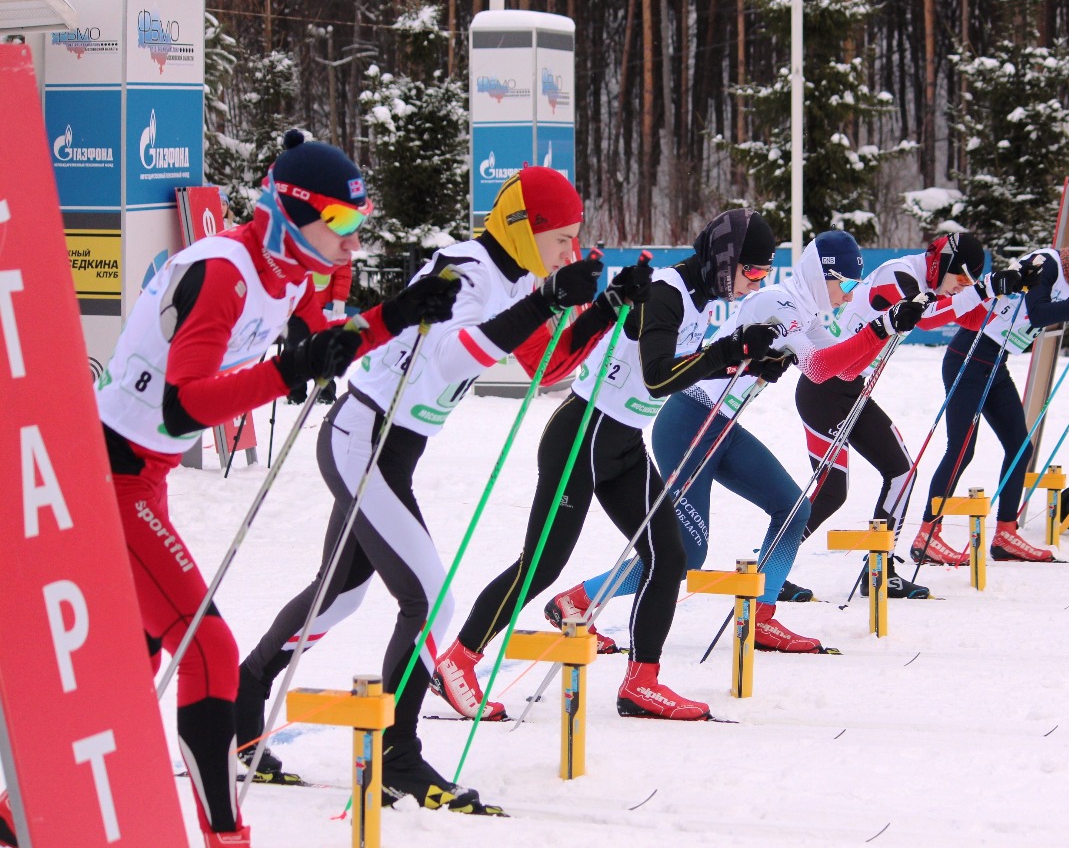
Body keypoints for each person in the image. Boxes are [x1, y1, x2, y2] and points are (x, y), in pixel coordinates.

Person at [95, 130, 458, 847]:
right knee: (209, 652)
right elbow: (184, 405)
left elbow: (324, 334)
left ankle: (26, 806)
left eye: (363, 224)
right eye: (344, 225)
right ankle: (224, 834)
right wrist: (293, 368)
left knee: (138, 659)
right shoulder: (226, 271)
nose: (353, 244)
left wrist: (402, 311)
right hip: (111, 475)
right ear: (292, 211)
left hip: (146, 473)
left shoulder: (286, 270)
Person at [236, 165, 613, 814]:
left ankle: (244, 708)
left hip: (388, 453)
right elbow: (455, 354)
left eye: (575, 241)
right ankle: (398, 756)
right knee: (430, 596)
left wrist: (605, 305)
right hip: (364, 441)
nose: (568, 253)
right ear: (523, 228)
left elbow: (545, 363)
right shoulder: (464, 269)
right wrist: (548, 299)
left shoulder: (518, 278)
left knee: (339, 597)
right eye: (561, 239)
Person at [432, 208, 783, 721]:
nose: (757, 283)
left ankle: (642, 681)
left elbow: (684, 364)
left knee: (669, 554)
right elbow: (662, 376)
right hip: (582, 436)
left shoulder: (698, 300)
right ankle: (458, 660)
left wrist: (746, 360)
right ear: (725, 260)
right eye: (753, 271)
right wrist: (727, 351)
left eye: (765, 274)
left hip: (621, 444)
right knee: (542, 565)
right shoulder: (665, 292)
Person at [544, 230, 926, 652]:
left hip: (722, 426)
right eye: (847, 284)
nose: (848, 294)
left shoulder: (808, 313)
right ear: (823, 275)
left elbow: (847, 371)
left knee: (792, 508)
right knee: (687, 554)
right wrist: (879, 329)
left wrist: (887, 328)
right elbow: (818, 369)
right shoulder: (776, 302)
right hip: (689, 420)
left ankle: (761, 615)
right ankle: (577, 601)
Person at [913, 222, 1069, 564]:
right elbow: (1039, 311)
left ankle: (1005, 533)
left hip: (994, 363)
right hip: (969, 356)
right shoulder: (1049, 263)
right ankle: (927, 535)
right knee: (961, 449)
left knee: (1019, 446)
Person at [792, 232, 991, 599]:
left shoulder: (933, 284)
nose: (960, 288)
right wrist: (981, 291)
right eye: (960, 279)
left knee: (902, 471)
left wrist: (1007, 289)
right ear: (942, 263)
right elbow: (929, 320)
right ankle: (772, 566)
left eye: (968, 283)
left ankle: (880, 569)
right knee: (832, 491)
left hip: (852, 388)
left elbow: (975, 318)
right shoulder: (898, 274)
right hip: (823, 387)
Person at [286, 263, 353, 405]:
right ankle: (296, 392)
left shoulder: (335, 242)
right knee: (294, 347)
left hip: (322, 306)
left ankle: (325, 391)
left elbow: (343, 270)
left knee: (323, 349)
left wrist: (339, 298)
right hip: (296, 304)